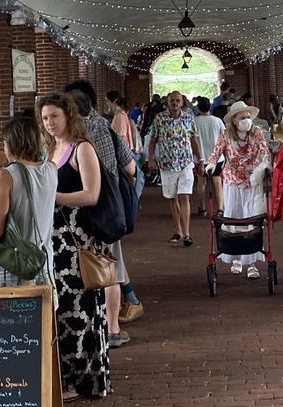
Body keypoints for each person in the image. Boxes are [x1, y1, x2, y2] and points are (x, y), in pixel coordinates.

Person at [39, 92, 110, 400]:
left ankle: (82, 379)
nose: (49, 122)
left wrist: (53, 197)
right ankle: (65, 376)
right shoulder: (49, 150)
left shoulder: (83, 149)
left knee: (79, 310)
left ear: (68, 115)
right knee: (62, 310)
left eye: (54, 116)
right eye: (45, 118)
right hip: (54, 243)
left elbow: (92, 194)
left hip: (78, 242)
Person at [64, 81, 140, 347]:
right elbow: (130, 167)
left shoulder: (76, 139)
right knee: (109, 266)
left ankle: (109, 327)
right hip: (109, 210)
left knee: (103, 270)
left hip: (85, 211)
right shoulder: (106, 127)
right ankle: (114, 324)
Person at [0, 116, 57, 289]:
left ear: (10, 144)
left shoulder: (5, 176)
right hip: (42, 263)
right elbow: (31, 166)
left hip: (12, 268)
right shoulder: (51, 169)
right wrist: (8, 158)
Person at [205, 102, 271, 279]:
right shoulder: (226, 134)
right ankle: (235, 259)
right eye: (243, 118)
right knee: (234, 218)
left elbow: (264, 151)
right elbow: (216, 152)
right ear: (234, 120)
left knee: (252, 219)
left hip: (253, 181)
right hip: (232, 182)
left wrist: (266, 165)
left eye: (248, 117)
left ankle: (252, 263)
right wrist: (211, 164)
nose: (247, 120)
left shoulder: (256, 132)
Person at [147, 90, 201, 245]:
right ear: (167, 102)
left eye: (178, 100)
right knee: (172, 197)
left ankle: (187, 234)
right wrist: (151, 159)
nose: (175, 103)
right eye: (172, 100)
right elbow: (153, 140)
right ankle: (178, 230)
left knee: (185, 196)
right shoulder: (159, 118)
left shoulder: (188, 118)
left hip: (185, 162)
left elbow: (194, 140)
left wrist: (201, 160)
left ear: (182, 102)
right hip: (167, 164)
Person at [193, 96, 226, 215]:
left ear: (198, 107)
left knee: (201, 183)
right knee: (217, 183)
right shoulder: (217, 121)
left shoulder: (194, 121)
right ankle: (220, 209)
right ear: (210, 107)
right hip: (217, 158)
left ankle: (202, 208)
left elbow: (192, 140)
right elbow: (224, 137)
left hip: (200, 158)